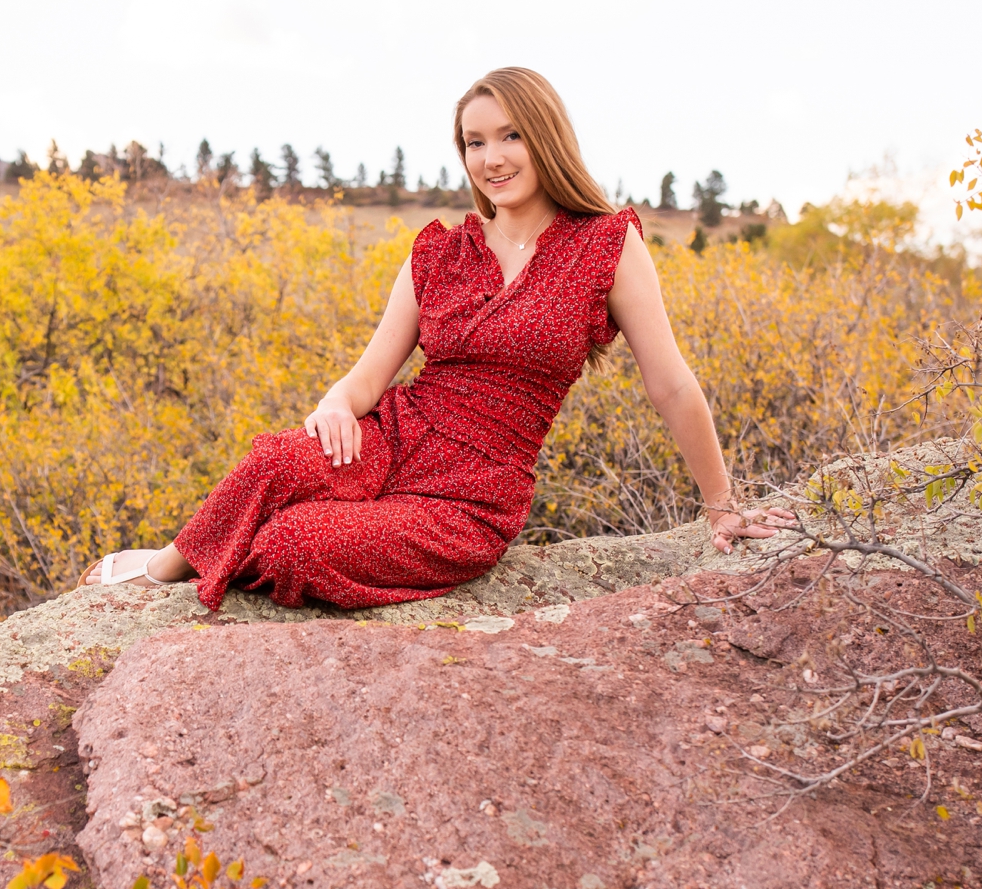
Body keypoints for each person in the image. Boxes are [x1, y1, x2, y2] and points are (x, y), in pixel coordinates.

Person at [82, 66, 797, 610]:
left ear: (546, 137)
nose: (493, 157)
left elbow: (669, 382)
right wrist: (335, 405)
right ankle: (165, 566)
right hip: (392, 437)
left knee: (294, 544)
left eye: (511, 135)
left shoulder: (607, 245)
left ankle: (213, 551)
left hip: (472, 495)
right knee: (275, 461)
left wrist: (722, 504)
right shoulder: (439, 250)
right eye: (475, 141)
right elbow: (367, 376)